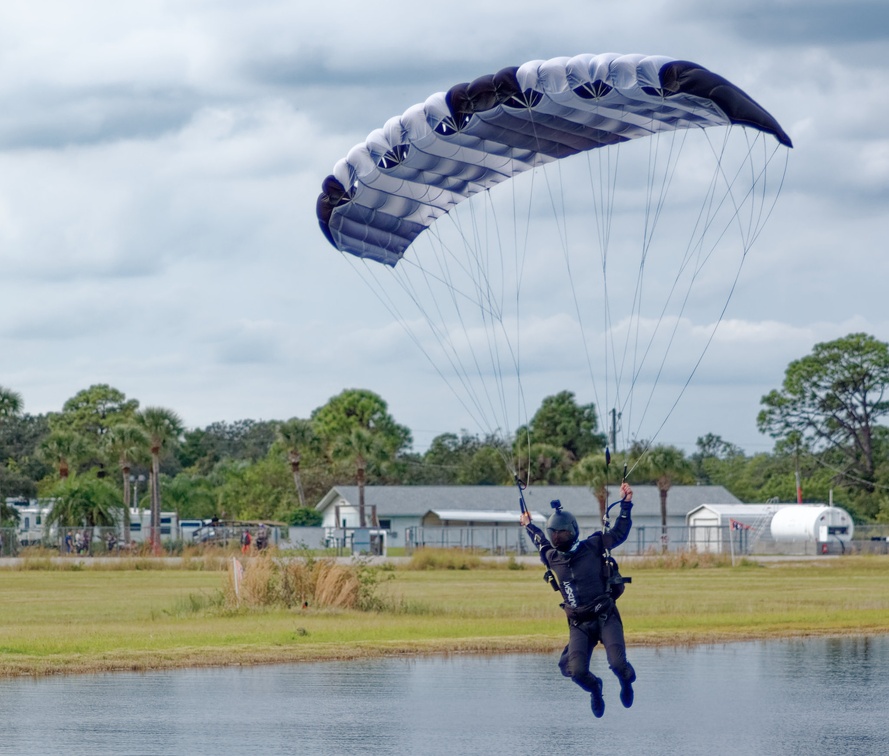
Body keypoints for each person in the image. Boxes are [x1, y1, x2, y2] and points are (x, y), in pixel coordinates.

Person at [519, 481, 636, 718]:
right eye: (555, 533)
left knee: (618, 665)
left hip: (605, 617)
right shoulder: (551, 556)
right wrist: (528, 524)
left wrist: (626, 504)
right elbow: (538, 539)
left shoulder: (593, 545)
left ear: (573, 531)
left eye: (562, 532)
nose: (558, 536)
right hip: (579, 624)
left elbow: (619, 532)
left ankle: (625, 683)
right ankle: (596, 689)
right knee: (576, 671)